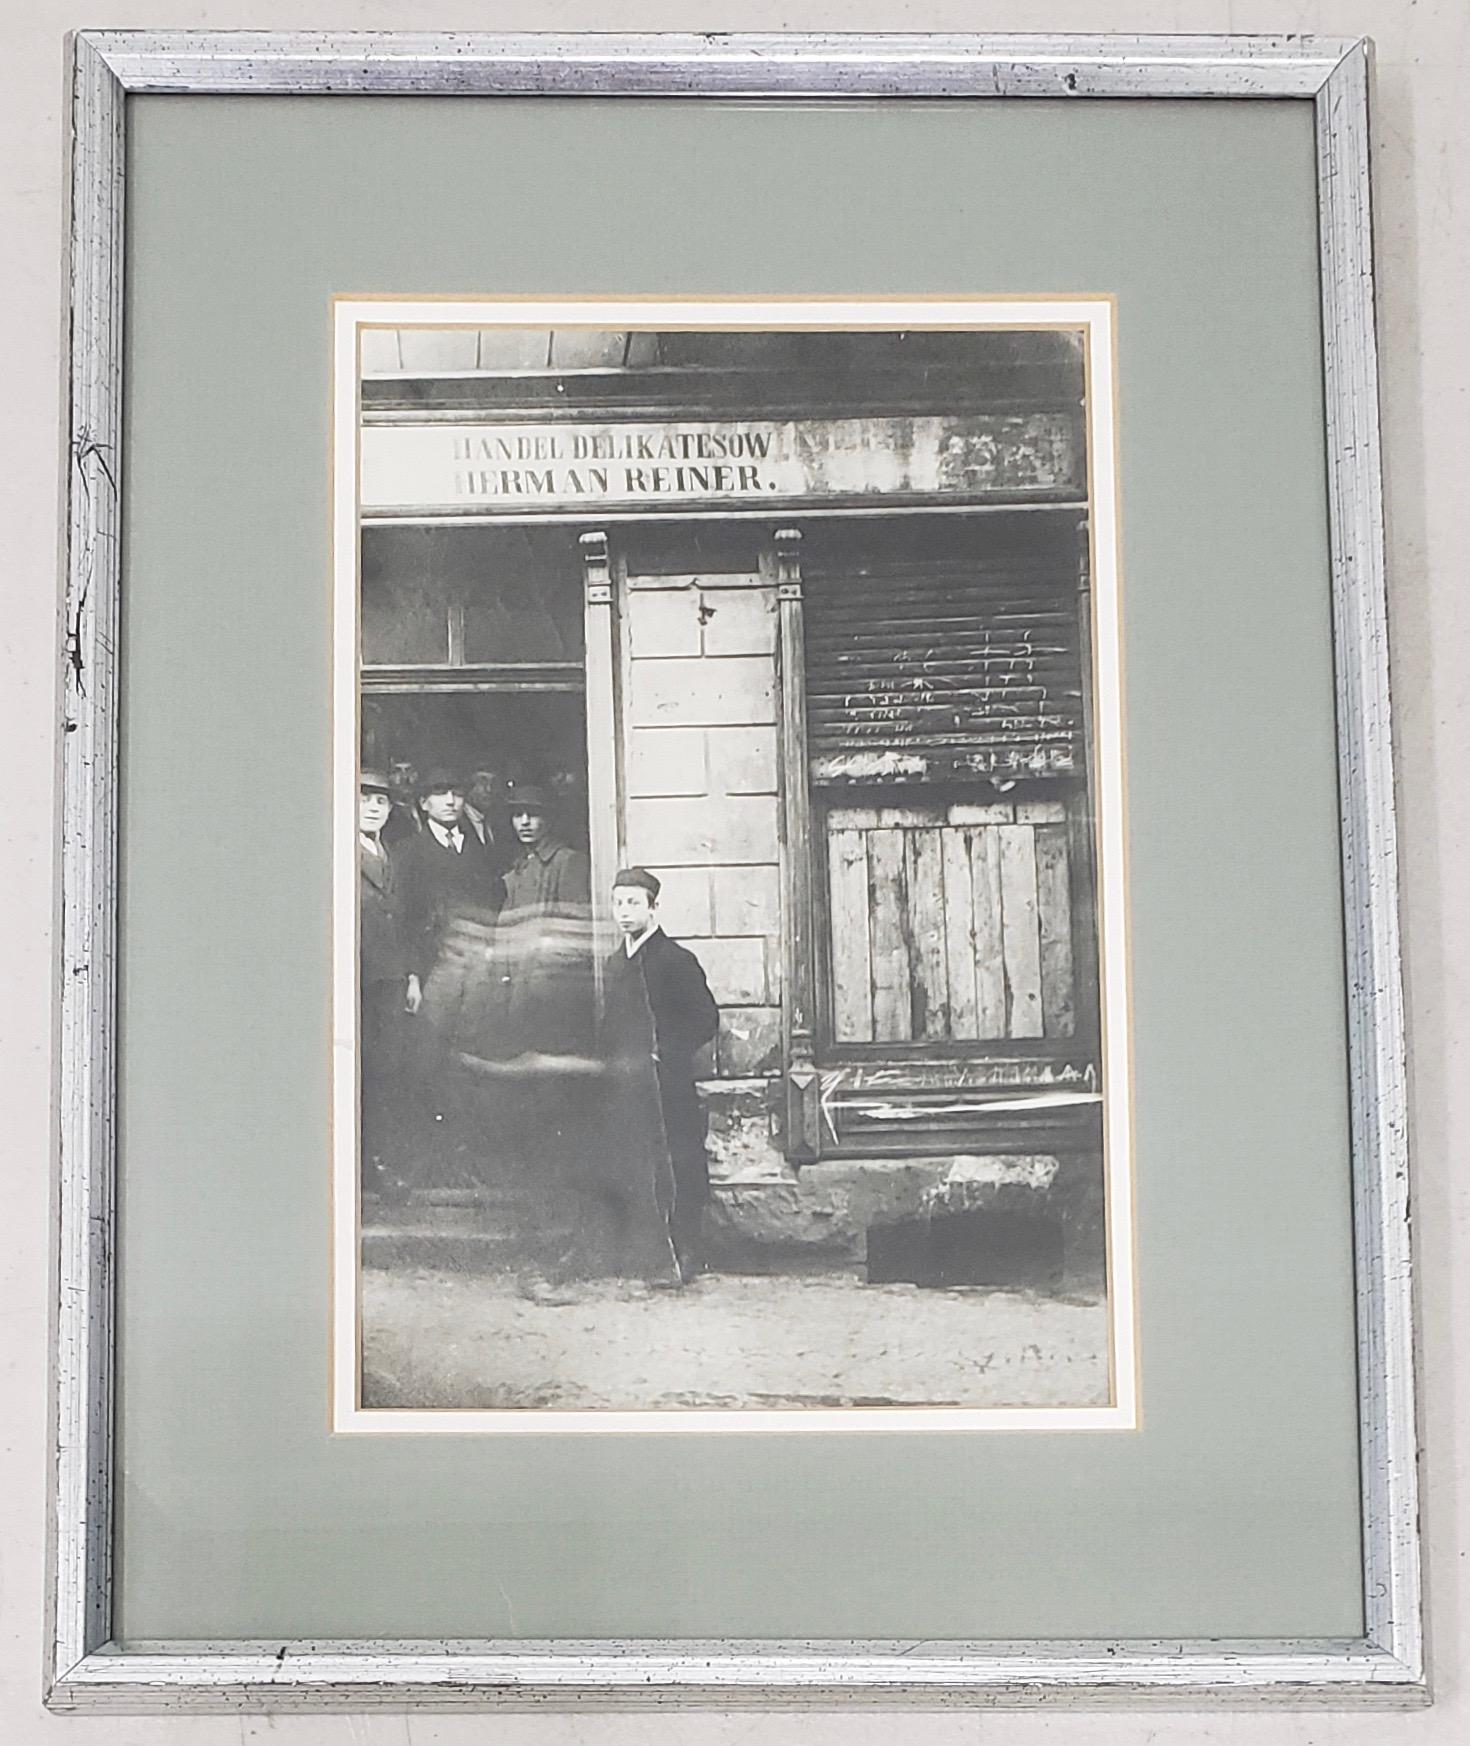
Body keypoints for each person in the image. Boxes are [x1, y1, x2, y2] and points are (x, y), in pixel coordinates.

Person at [603, 867, 720, 1281]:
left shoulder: (676, 960)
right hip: (627, 1083)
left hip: (667, 1082)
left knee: (680, 1158)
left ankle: (687, 1249)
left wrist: (665, 1053)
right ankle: (640, 1250)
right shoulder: (614, 963)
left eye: (634, 902)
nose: (624, 912)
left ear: (654, 907)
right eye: (618, 902)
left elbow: (705, 1019)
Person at [394, 767, 506, 1065]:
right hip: (433, 968)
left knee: (475, 1049)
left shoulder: (479, 850)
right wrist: (413, 977)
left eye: (456, 794)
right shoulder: (408, 853)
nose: (450, 801)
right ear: (423, 803)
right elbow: (404, 918)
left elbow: (495, 904)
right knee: (432, 1051)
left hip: (479, 967)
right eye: (440, 794)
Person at [357, 769, 420, 1199]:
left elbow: (405, 922)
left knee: (388, 1073)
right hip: (356, 981)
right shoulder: (337, 853)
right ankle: (363, 1169)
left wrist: (412, 975)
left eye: (381, 802)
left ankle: (380, 1167)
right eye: (365, 799)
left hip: (391, 980)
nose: (374, 808)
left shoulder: (391, 855)